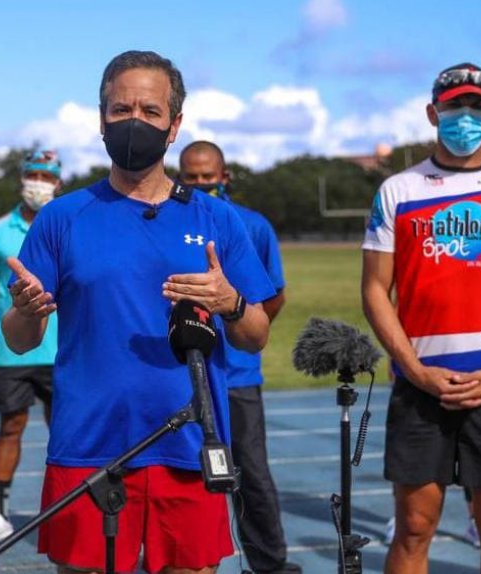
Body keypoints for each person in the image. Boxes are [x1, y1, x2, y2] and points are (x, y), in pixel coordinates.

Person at [2, 50, 275, 574]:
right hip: (88, 443)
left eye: (150, 112)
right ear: (100, 118)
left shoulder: (217, 218)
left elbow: (255, 335)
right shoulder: (62, 217)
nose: (134, 121)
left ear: (174, 126)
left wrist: (231, 302)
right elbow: (19, 338)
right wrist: (27, 310)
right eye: (120, 109)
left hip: (191, 443)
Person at [360, 63, 481, 574]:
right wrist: (413, 368)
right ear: (433, 113)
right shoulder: (398, 191)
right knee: (412, 530)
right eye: (454, 107)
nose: (465, 117)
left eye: (476, 107)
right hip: (421, 389)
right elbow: (374, 290)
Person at [178, 141, 300, 574]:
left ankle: (269, 563)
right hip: (182, 372)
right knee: (179, 471)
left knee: (250, 471)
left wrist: (244, 325)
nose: (199, 184)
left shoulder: (252, 225)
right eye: (190, 177)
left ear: (224, 177)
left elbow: (274, 294)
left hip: (238, 373)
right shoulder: (168, 219)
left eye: (207, 177)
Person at [0, 149, 62, 546]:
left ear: (58, 182)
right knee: (10, 427)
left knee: (67, 430)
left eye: (46, 176)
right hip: (10, 353)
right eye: (32, 174)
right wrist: (16, 325)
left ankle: (65, 507)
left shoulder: (67, 225)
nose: (38, 182)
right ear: (22, 178)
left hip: (61, 351)